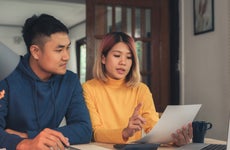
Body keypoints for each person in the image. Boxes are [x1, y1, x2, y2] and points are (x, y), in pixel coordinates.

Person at [82, 32, 192, 146]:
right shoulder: (89, 89)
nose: (123, 62)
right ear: (103, 58)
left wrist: (174, 139)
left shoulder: (141, 89)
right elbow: (95, 133)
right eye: (117, 56)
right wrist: (125, 132)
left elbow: (154, 128)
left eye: (129, 57)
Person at [0, 14, 92, 150]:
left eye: (68, 48)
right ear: (36, 52)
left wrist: (28, 136)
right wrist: (24, 144)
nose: (67, 56)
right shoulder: (6, 76)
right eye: (59, 50)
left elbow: (84, 130)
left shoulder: (70, 80)